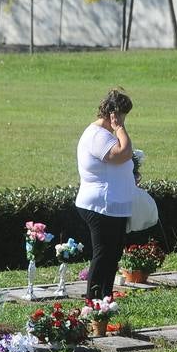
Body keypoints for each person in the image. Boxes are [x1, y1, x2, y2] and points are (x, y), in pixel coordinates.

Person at [75, 88, 136, 300]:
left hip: (113, 206)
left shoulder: (103, 135)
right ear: (114, 114)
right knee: (103, 255)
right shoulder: (97, 135)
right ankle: (93, 302)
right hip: (101, 205)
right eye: (122, 115)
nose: (124, 120)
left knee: (113, 254)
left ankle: (105, 299)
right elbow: (122, 153)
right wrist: (120, 129)